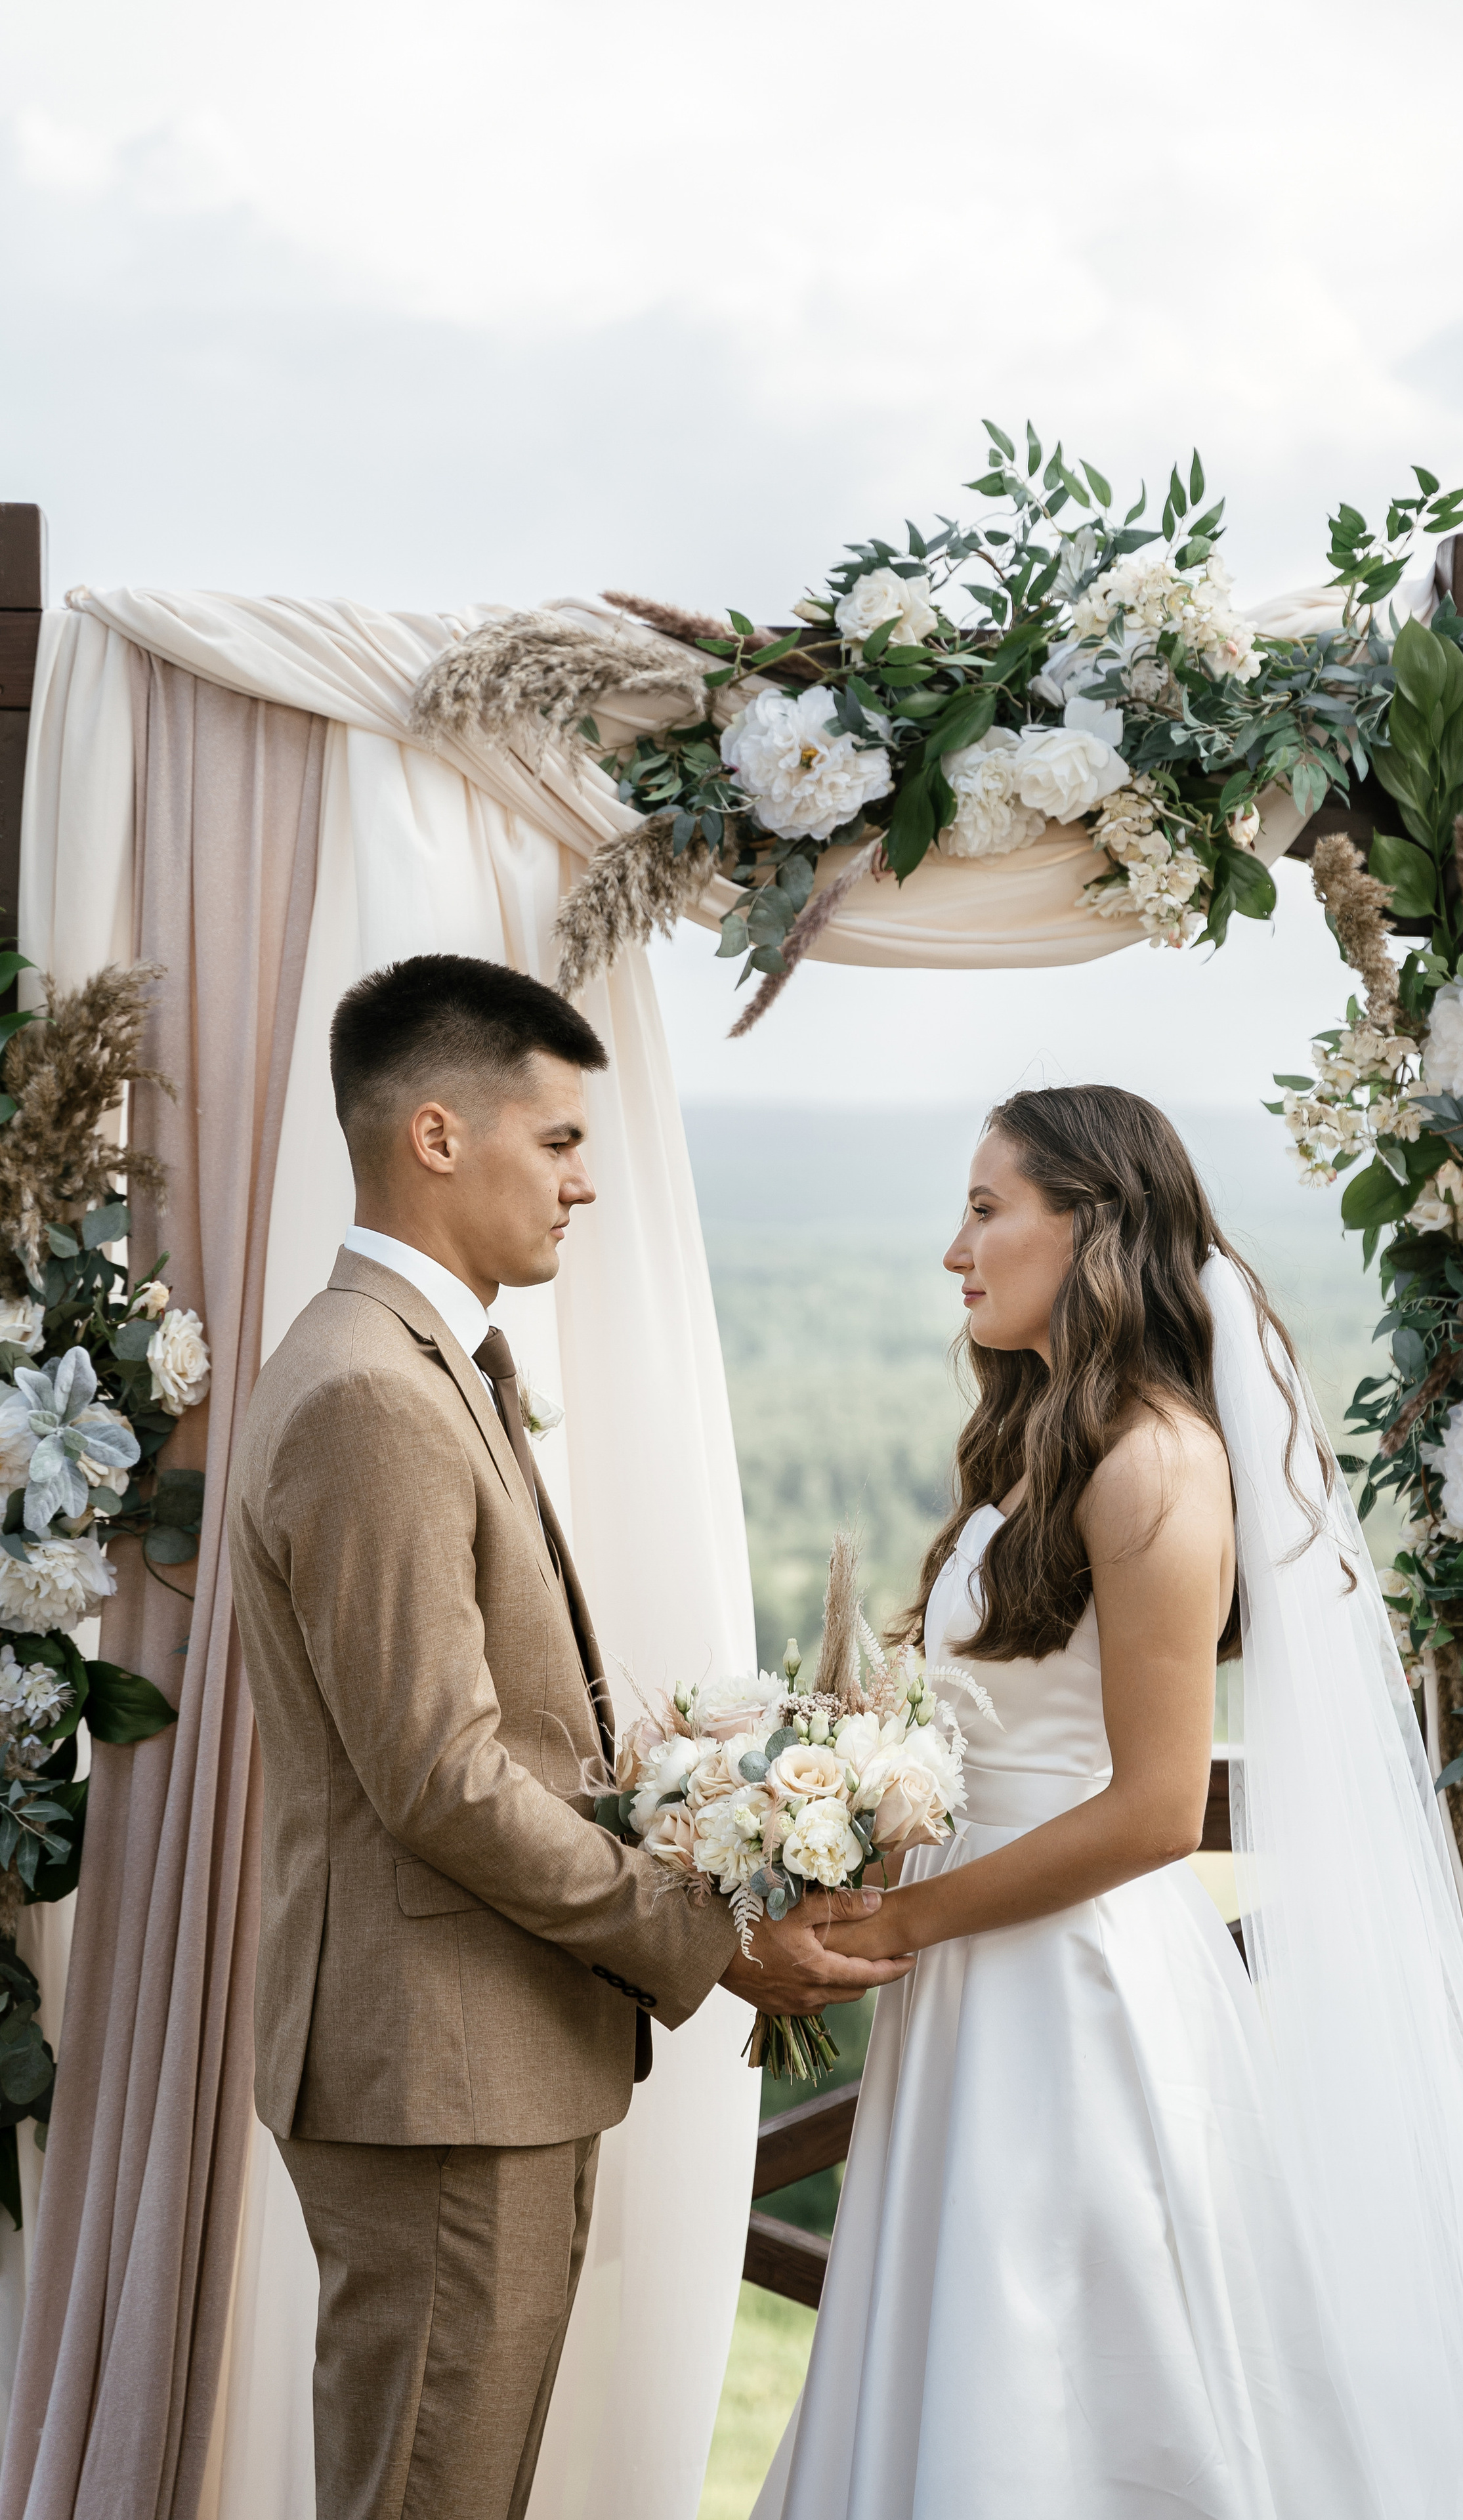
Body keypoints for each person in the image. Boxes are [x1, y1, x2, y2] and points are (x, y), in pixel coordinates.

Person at [754, 1083, 1463, 2520]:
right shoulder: (1045, 1436)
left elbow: (1158, 1809)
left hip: (1071, 1987)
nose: (952, 1247)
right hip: (979, 1973)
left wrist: (885, 1920)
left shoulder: (1156, 1460)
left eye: (985, 1208)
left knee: (1062, 2375)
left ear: (1089, 1224)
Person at [227, 953, 909, 2520]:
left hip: (481, 2056)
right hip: (435, 2066)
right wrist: (704, 1934)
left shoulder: (410, 1365)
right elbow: (443, 1777)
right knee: (428, 2492)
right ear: (439, 1136)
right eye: (558, 1142)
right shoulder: (368, 1395)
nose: (585, 1184)